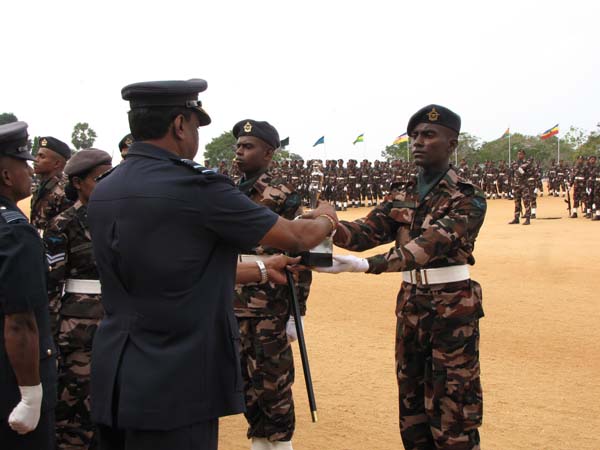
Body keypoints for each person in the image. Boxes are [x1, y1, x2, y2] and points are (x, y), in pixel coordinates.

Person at [86, 79, 338, 450]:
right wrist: (328, 219)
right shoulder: (195, 187)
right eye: (195, 124)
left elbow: (175, 268)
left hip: (115, 374)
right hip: (177, 379)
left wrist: (264, 270)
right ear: (179, 125)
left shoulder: (106, 187)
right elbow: (297, 238)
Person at [310, 105, 486, 450]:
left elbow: (425, 248)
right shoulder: (403, 191)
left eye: (429, 135)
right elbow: (366, 231)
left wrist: (365, 266)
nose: (418, 142)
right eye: (415, 135)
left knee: (454, 411)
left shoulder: (467, 198)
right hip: (411, 305)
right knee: (412, 410)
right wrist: (326, 225)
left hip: (452, 309)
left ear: (452, 143)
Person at [232, 120, 313, 450]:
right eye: (238, 145)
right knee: (246, 385)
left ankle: (280, 446)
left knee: (273, 385)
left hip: (271, 307)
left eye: (248, 146)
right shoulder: (228, 192)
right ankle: (260, 444)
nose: (239, 151)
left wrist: (298, 312)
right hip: (234, 304)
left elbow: (301, 257)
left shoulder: (284, 197)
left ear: (268, 153)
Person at [44, 149, 113, 449]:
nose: (108, 184)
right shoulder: (63, 224)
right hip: (78, 330)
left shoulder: (121, 217)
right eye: (100, 179)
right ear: (78, 182)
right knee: (75, 409)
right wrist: (51, 335)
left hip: (118, 323)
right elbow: (51, 283)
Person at [0, 121, 57, 450]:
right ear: (7, 176)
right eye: (23, 163)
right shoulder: (15, 232)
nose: (30, 170)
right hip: (12, 382)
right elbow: (20, 322)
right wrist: (31, 393)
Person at [30, 136, 73, 235]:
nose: (36, 160)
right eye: (37, 155)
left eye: (42, 156)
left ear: (57, 163)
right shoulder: (41, 187)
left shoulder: (65, 191)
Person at [508, 149, 534, 225]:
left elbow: (529, 174)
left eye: (521, 154)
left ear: (524, 155)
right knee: (517, 202)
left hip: (524, 185)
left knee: (526, 202)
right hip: (516, 186)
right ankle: (516, 218)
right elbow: (512, 174)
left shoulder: (527, 164)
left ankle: (528, 218)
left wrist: (523, 170)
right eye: (518, 154)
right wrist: (511, 184)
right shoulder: (515, 163)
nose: (519, 156)